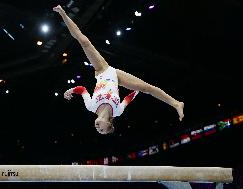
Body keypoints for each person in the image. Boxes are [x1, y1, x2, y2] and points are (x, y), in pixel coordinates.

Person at [53, 5, 184, 135]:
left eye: (97, 130)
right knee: (146, 88)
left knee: (84, 41)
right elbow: (128, 98)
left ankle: (63, 13)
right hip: (116, 76)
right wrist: (137, 91)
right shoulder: (118, 111)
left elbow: (82, 89)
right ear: (109, 124)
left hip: (102, 70)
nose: (98, 128)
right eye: (102, 129)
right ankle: (177, 103)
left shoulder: (91, 106)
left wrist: (72, 90)